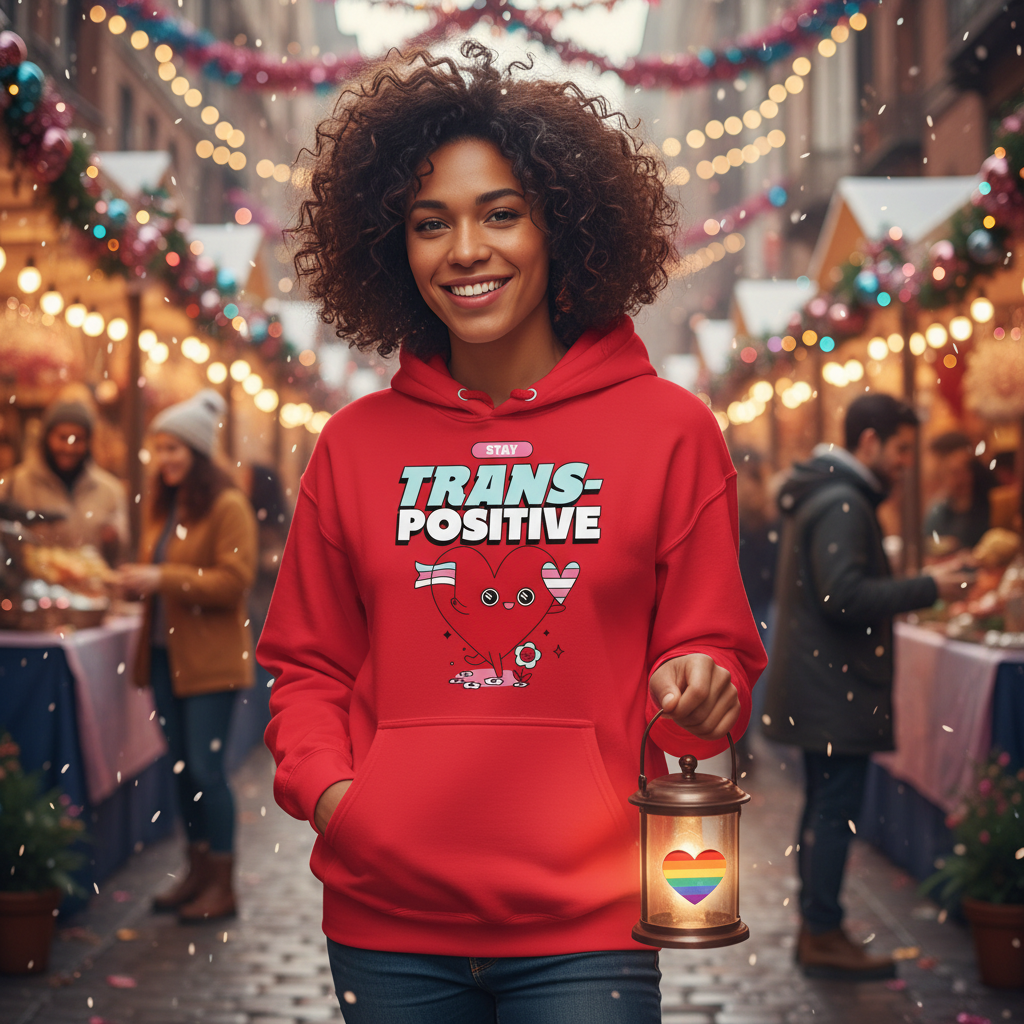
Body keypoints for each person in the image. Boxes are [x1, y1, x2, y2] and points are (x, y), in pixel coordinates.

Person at [259, 44, 766, 1024]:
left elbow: (716, 656)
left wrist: (702, 683)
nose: (465, 250)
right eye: (428, 223)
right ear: (391, 247)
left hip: (593, 920)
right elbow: (307, 669)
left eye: (501, 212)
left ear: (561, 228)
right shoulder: (354, 446)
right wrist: (339, 803)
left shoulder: (669, 431)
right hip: (386, 922)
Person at [762, 394, 972, 981]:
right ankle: (823, 930)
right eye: (901, 450)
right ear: (870, 443)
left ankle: (818, 926)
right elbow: (843, 596)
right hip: (835, 689)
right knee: (833, 812)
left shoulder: (827, 492)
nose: (907, 463)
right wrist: (929, 586)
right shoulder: (843, 502)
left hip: (823, 686)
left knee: (823, 809)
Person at [117, 389, 257, 923]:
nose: (164, 458)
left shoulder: (227, 505)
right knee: (181, 771)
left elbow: (234, 580)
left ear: (198, 453)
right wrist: (137, 580)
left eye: (174, 448)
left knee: (205, 770)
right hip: (165, 660)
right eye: (158, 447)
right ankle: (196, 872)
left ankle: (222, 884)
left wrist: (162, 578)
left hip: (210, 664)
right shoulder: (167, 505)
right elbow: (168, 571)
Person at [0, 397, 128, 564]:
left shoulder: (110, 490)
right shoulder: (14, 483)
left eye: (78, 439)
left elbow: (121, 556)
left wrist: (114, 539)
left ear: (88, 441)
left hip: (90, 588)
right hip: (30, 587)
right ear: (47, 437)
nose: (69, 447)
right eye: (62, 437)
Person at [923, 431, 993, 556]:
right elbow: (926, 543)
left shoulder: (989, 504)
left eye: (961, 471)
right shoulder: (939, 508)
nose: (958, 479)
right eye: (952, 472)